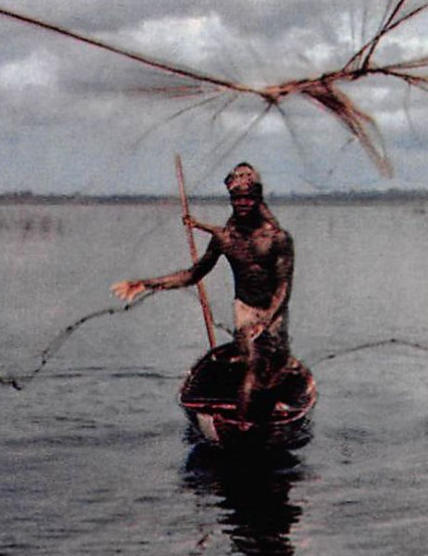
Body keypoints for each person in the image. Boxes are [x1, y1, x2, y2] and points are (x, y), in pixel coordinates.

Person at [113, 163, 295, 415]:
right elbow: (192, 274)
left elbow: (283, 287)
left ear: (257, 200)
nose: (242, 203)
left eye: (248, 198)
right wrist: (145, 283)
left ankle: (268, 400)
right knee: (251, 362)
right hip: (245, 307)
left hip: (273, 309)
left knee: (275, 366)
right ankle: (242, 424)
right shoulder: (224, 238)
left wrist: (266, 319)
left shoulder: (278, 238)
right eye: (236, 198)